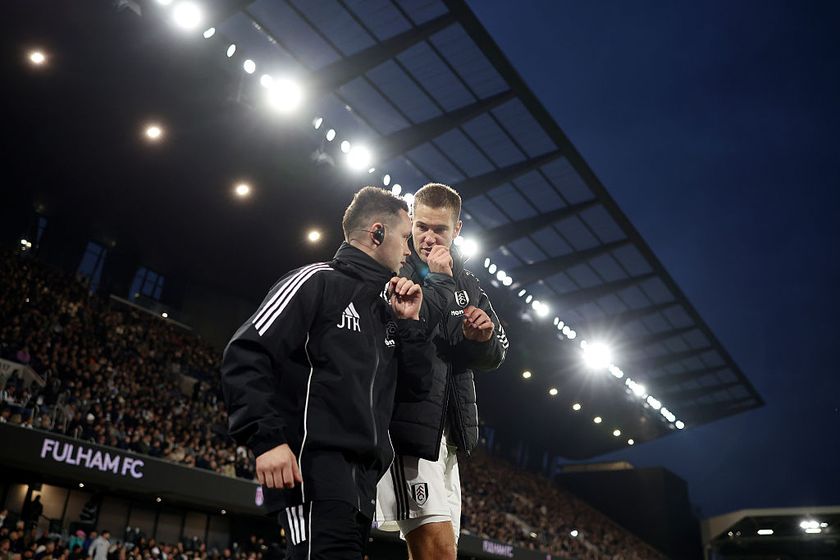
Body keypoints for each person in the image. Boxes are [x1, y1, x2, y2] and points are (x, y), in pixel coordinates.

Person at [221, 186, 435, 559]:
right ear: (378, 233)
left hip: (362, 483)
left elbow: (416, 390)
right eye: (404, 238)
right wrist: (266, 439)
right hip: (315, 470)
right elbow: (246, 352)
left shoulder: (387, 311)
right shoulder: (316, 281)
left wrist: (411, 325)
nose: (408, 251)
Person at [376, 183, 508, 560]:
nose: (429, 238)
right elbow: (406, 335)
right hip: (408, 431)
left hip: (448, 437)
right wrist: (440, 280)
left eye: (441, 230)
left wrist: (481, 338)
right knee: (435, 548)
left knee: (442, 551)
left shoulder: (469, 283)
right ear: (411, 222)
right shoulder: (394, 268)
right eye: (422, 227)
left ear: (458, 230)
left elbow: (497, 352)